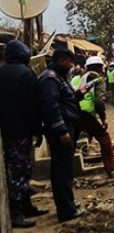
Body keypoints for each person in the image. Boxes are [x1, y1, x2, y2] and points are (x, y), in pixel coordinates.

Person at [0, 40, 48, 228]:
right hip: (22, 132)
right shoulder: (26, 74)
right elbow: (32, 107)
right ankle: (17, 213)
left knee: (18, 170)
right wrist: (39, 131)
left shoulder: (1, 73)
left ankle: (27, 206)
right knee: (21, 171)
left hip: (7, 131)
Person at [37, 48, 86, 223]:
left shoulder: (57, 77)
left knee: (64, 170)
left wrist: (79, 94)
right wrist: (62, 131)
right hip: (61, 131)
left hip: (66, 128)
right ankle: (66, 210)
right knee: (62, 171)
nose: (71, 66)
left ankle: (68, 205)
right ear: (62, 61)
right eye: (69, 62)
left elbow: (65, 100)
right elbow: (51, 107)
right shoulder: (50, 79)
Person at [75, 56, 114, 177]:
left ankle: (66, 173)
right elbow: (98, 102)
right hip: (86, 113)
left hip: (74, 112)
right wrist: (103, 119)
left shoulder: (80, 78)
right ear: (100, 67)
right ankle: (112, 169)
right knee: (105, 139)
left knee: (72, 142)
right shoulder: (98, 80)